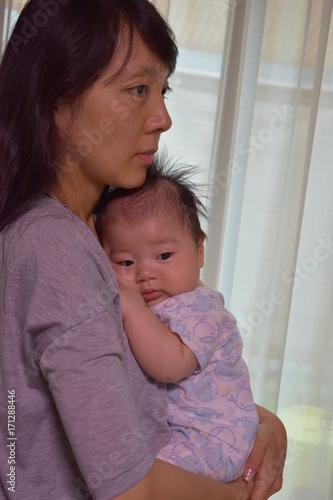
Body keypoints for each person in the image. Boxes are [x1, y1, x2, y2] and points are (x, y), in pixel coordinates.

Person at [0, 1, 286, 499]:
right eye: (137, 89)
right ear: (55, 99)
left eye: (163, 89)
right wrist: (237, 494)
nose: (163, 117)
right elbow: (130, 488)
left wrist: (266, 426)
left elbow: (131, 398)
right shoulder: (53, 247)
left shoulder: (104, 228)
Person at [95, 157, 260, 483]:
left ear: (199, 252)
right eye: (126, 262)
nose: (145, 273)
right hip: (178, 431)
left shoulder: (202, 309)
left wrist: (131, 308)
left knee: (136, 476)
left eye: (164, 256)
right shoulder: (155, 305)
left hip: (212, 439)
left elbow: (170, 365)